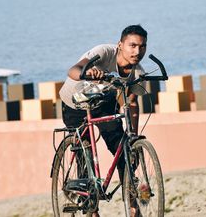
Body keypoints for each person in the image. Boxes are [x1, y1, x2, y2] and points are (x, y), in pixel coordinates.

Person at [59, 24, 147, 217]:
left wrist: (133, 136)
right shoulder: (104, 52)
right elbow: (73, 70)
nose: (137, 51)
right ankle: (91, 208)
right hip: (75, 102)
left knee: (124, 149)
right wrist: (87, 72)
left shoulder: (138, 73)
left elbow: (132, 103)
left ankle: (133, 205)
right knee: (85, 151)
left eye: (142, 47)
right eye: (132, 45)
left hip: (102, 103)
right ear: (120, 45)